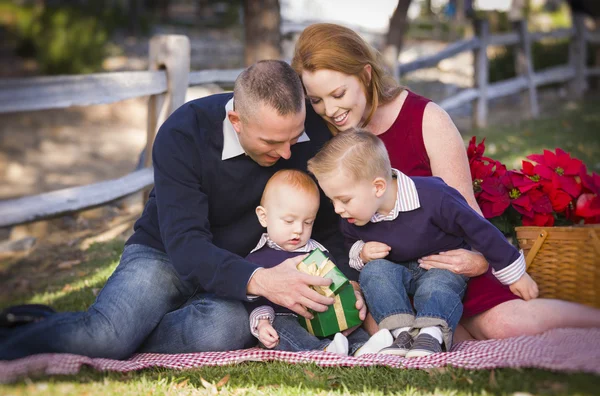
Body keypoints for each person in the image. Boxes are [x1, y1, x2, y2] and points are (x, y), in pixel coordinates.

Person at [0, 60, 364, 361]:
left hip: (242, 265)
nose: (287, 153)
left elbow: (329, 226)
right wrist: (263, 281)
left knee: (222, 329)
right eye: (271, 142)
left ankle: (120, 332)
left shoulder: (312, 133)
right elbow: (186, 242)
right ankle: (32, 337)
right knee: (107, 339)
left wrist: (346, 279)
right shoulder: (183, 133)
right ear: (236, 122)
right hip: (165, 254)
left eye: (294, 137)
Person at [292, 23, 600, 341]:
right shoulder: (318, 134)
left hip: (443, 262)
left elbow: (464, 207)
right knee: (403, 332)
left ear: (366, 75)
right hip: (381, 276)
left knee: (507, 326)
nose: (329, 110)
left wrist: (481, 258)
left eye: (338, 94)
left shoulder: (425, 119)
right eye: (316, 100)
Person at [308, 128, 539, 357]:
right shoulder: (353, 216)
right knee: (374, 272)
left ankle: (431, 334)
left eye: (344, 200)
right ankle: (400, 333)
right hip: (397, 272)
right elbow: (351, 242)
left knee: (437, 286)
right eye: (332, 200)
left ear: (377, 187)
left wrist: (515, 274)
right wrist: (362, 252)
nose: (337, 209)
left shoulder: (434, 196)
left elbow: (480, 230)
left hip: (439, 265)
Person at [245, 169, 392, 355]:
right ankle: (321, 351)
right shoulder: (257, 257)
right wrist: (263, 322)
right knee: (283, 327)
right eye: (289, 221)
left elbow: (337, 283)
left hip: (321, 313)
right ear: (264, 217)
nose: (298, 230)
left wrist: (348, 300)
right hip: (284, 316)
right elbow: (253, 298)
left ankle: (362, 347)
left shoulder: (318, 252)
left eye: (308, 222)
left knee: (343, 322)